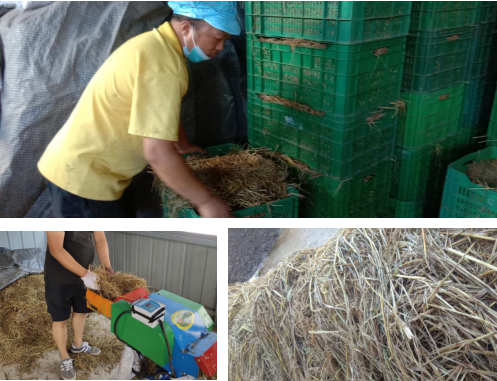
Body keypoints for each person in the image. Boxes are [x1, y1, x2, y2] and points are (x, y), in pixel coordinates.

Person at [37, 2, 241, 218]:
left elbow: (161, 111)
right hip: (85, 180)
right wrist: (207, 201)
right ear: (186, 28)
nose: (220, 48)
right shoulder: (163, 66)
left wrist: (182, 145)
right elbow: (157, 153)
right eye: (218, 39)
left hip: (87, 170)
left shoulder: (155, 46)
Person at [44, 231, 113, 380]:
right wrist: (86, 275)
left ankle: (78, 345)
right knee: (60, 319)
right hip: (59, 278)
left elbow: (100, 239)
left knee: (81, 311)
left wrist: (107, 267)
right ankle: (64, 357)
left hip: (83, 276)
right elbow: (56, 249)